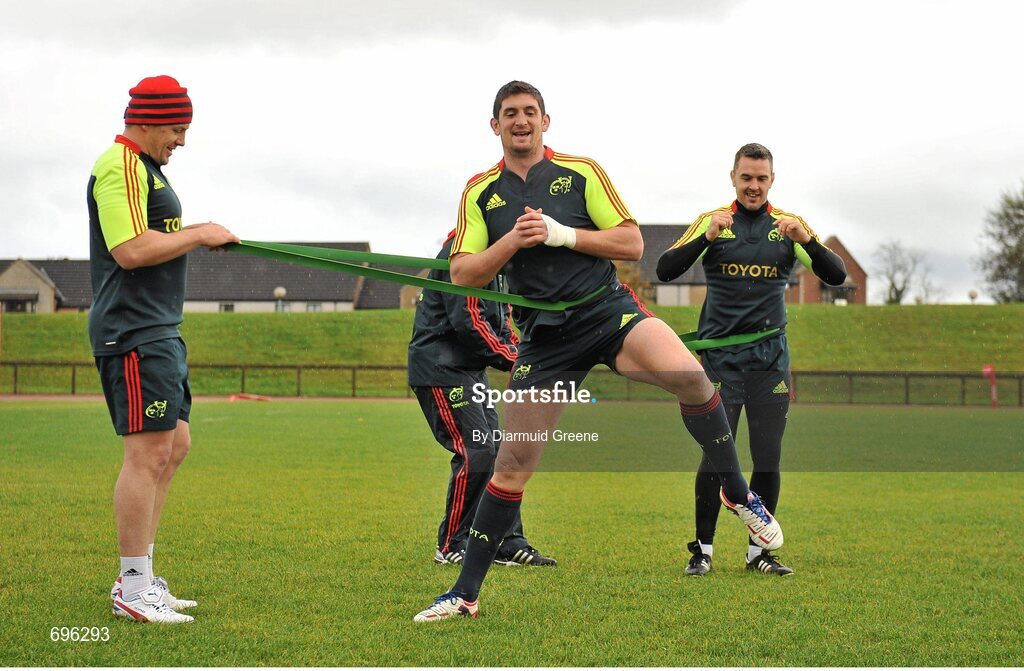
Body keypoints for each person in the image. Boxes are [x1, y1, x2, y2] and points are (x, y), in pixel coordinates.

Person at [413, 81, 783, 622]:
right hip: (546, 337)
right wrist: (514, 240)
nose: (521, 121)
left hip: (606, 311)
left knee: (692, 376)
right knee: (512, 466)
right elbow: (463, 273)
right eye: (510, 114)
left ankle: (735, 491)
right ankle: (464, 595)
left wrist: (563, 234)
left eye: (530, 112)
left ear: (546, 121)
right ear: (495, 126)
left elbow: (631, 243)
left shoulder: (580, 173)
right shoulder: (479, 193)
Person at [88, 75, 239, 623]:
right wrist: (200, 233)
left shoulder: (148, 170)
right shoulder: (120, 165)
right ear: (147, 120)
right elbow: (128, 249)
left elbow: (155, 241)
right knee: (147, 453)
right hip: (132, 331)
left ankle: (143, 575)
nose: (181, 140)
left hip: (159, 330)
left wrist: (202, 235)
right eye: (176, 128)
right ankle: (132, 586)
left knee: (173, 446)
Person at [657, 143, 847, 577]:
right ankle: (702, 550)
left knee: (768, 457)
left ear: (772, 180)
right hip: (720, 362)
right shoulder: (713, 223)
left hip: (770, 363)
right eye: (747, 178)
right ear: (733, 178)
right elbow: (666, 270)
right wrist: (706, 238)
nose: (754, 186)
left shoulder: (788, 228)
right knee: (717, 455)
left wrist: (809, 242)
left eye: (762, 179)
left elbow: (836, 276)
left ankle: (758, 554)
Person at [408, 231, 556, 568]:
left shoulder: (497, 259)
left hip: (469, 371)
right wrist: (515, 359)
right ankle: (451, 544)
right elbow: (469, 322)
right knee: (476, 452)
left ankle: (504, 541)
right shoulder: (463, 252)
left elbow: (500, 322)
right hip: (440, 368)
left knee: (500, 453)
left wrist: (528, 352)